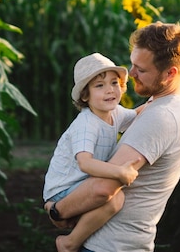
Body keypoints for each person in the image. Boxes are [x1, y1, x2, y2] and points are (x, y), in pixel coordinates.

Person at [44, 21, 180, 252]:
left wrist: (57, 211)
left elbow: (103, 189)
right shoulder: (176, 102)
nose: (131, 74)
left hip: (110, 245)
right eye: (132, 65)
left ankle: (69, 243)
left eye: (141, 70)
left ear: (170, 73)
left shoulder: (161, 116)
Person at [43, 52, 142, 252]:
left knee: (113, 197)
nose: (110, 90)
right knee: (115, 199)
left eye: (114, 83)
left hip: (83, 182)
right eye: (100, 85)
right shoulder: (87, 124)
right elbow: (85, 163)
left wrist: (159, 102)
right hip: (62, 188)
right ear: (85, 96)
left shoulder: (115, 112)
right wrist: (120, 173)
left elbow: (139, 115)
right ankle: (69, 243)